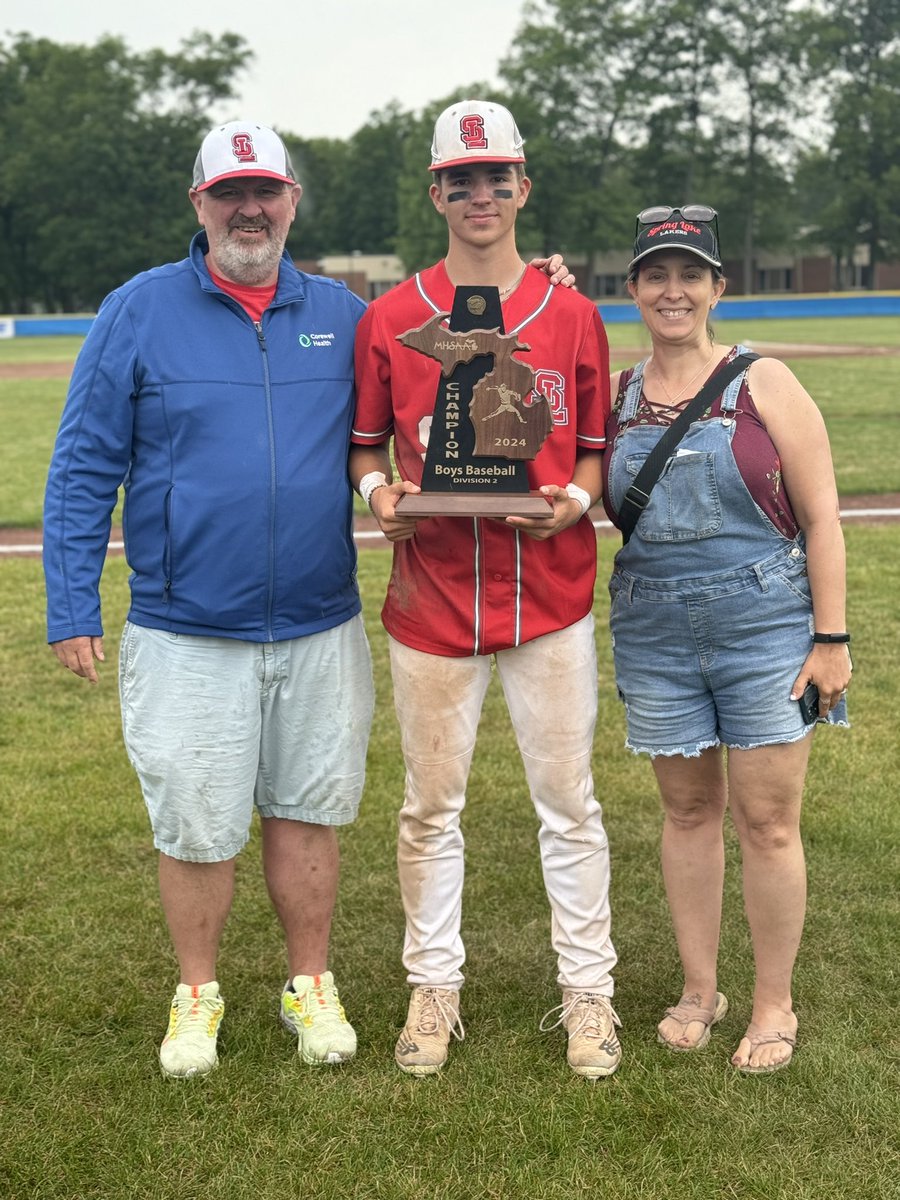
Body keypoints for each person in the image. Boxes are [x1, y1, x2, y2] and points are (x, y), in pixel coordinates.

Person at [42, 121, 377, 1079]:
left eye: (266, 190)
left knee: (309, 810)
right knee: (195, 821)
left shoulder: (344, 314)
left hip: (318, 618)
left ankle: (308, 984)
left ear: (291, 202)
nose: (250, 208)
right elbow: (80, 470)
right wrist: (73, 604)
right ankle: (197, 994)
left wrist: (541, 288)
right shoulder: (138, 311)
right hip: (186, 627)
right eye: (230, 191)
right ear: (199, 204)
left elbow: (460, 364)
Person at [349, 100, 620, 1079]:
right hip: (432, 596)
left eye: (496, 176)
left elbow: (593, 455)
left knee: (569, 803)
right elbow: (365, 443)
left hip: (548, 593)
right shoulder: (392, 315)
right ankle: (435, 986)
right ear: (436, 191)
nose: (480, 193)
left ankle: (589, 990)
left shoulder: (574, 313)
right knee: (430, 806)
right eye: (461, 178)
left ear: (522, 188)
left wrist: (572, 507)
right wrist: (380, 492)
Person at [602, 204, 851, 1073]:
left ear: (717, 287)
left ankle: (773, 1003)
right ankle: (699, 989)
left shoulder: (765, 381)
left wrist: (831, 639)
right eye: (657, 275)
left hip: (767, 627)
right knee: (687, 812)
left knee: (769, 821)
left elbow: (822, 520)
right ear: (634, 288)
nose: (674, 291)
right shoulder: (618, 398)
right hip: (655, 629)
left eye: (690, 275)